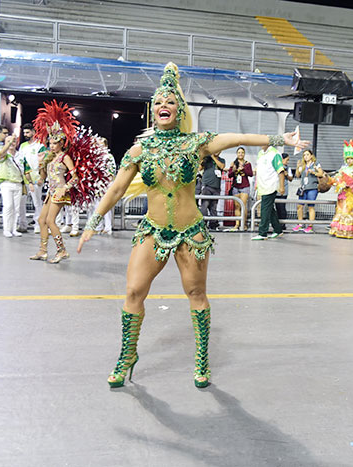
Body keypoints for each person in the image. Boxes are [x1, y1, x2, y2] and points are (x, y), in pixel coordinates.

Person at [78, 63, 307, 389]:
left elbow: (235, 138)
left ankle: (202, 359)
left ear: (179, 110)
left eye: (170, 102)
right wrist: (93, 220)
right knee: (132, 291)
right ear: (153, 111)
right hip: (153, 230)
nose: (163, 107)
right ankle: (127, 355)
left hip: (191, 234)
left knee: (196, 293)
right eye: (158, 103)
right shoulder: (140, 149)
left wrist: (276, 138)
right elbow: (116, 188)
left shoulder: (196, 143)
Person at [29, 103, 80, 264]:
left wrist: (65, 188)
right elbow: (44, 176)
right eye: (50, 143)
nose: (52, 146)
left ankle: (62, 250)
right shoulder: (50, 157)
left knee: (51, 221)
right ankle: (43, 251)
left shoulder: (65, 157)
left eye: (55, 143)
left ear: (62, 143)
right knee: (41, 220)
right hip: (50, 192)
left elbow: (75, 177)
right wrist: (41, 165)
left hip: (59, 192)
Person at [329, 140, 353, 239]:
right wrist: (338, 183)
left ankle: (346, 231)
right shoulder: (342, 169)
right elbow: (337, 179)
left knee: (347, 210)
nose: (349, 160)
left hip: (350, 194)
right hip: (342, 193)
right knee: (340, 210)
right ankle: (337, 230)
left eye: (351, 158)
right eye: (348, 158)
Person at [0, 133, 33, 238]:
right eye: (8, 141)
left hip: (18, 183)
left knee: (16, 208)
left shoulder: (21, 155)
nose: (11, 143)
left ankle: (14, 228)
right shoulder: (3, 154)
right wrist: (8, 143)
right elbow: (1, 153)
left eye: (13, 141)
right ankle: (6, 229)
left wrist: (30, 182)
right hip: (6, 183)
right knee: (8, 206)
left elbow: (27, 170)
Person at [252, 144, 286, 240]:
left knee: (264, 209)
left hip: (270, 185)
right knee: (270, 209)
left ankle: (262, 233)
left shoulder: (275, 154)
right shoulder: (260, 154)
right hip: (262, 185)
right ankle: (278, 230)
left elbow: (281, 171)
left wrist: (282, 186)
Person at [17, 123, 46, 233]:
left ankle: (38, 224)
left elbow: (43, 163)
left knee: (37, 203)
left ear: (34, 132)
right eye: (24, 133)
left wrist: (41, 178)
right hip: (23, 179)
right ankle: (22, 224)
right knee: (21, 203)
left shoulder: (40, 145)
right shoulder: (23, 146)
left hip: (35, 179)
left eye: (28, 132)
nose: (26, 134)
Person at [293, 149, 324, 233]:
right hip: (303, 188)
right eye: (304, 155)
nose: (305, 156)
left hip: (312, 188)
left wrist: (313, 172)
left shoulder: (315, 164)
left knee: (311, 206)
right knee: (299, 206)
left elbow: (321, 173)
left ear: (311, 156)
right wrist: (297, 167)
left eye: (307, 155)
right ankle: (300, 224)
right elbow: (297, 175)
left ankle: (310, 225)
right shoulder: (302, 165)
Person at [226, 146, 253, 231]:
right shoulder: (233, 163)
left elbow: (251, 174)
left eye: (242, 152)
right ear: (237, 154)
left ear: (244, 154)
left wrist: (243, 168)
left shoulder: (247, 163)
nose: (240, 154)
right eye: (239, 152)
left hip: (245, 187)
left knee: (243, 206)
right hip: (235, 187)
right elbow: (229, 175)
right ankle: (237, 224)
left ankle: (244, 224)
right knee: (237, 206)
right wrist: (234, 170)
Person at [200, 151, 225, 230]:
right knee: (205, 205)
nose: (217, 151)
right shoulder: (207, 159)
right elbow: (199, 168)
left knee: (214, 207)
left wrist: (213, 157)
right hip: (207, 186)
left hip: (216, 187)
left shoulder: (222, 160)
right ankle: (203, 223)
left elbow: (221, 166)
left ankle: (213, 224)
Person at [275, 152, 293, 229]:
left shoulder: (288, 168)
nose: (287, 162)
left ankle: (283, 224)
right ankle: (277, 223)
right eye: (286, 160)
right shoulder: (276, 167)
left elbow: (291, 179)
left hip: (284, 191)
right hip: (275, 190)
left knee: (282, 208)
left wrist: (286, 175)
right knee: (277, 208)